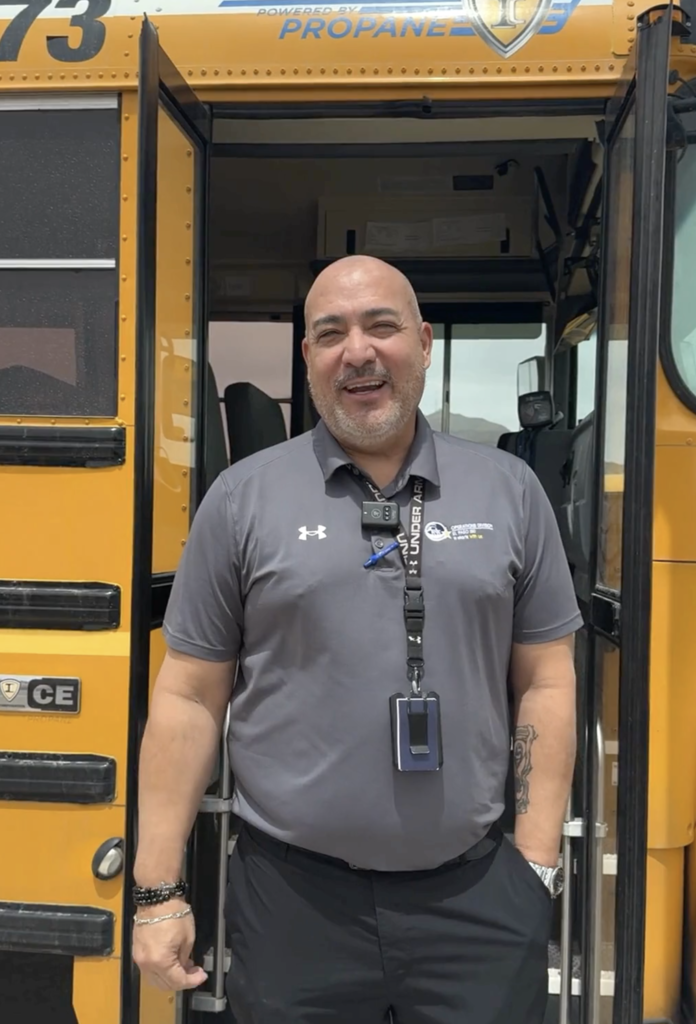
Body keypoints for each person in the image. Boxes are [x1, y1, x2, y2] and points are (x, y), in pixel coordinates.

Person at [132, 255, 582, 1024]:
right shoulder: (241, 500)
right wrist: (156, 891)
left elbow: (546, 676)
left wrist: (535, 864)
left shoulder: (510, 492)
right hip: (293, 904)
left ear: (425, 341)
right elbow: (187, 694)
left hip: (477, 901)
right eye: (331, 332)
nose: (359, 351)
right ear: (307, 356)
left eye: (382, 325)